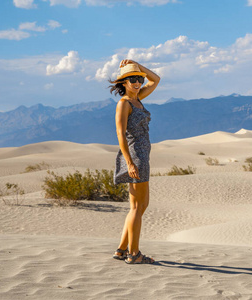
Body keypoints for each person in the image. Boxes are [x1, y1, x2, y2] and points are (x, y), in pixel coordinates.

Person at [109, 59, 160, 264]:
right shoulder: (124, 104)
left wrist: (137, 65)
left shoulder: (138, 98)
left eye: (139, 78)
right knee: (138, 207)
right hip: (135, 157)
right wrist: (130, 163)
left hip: (141, 156)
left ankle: (122, 249)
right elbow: (120, 134)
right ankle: (134, 253)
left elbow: (155, 79)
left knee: (139, 206)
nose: (138, 82)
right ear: (123, 83)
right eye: (132, 79)